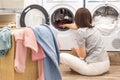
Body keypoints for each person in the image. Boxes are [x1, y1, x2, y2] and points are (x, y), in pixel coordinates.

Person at [60, 8, 110, 76]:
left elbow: (82, 55)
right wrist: (66, 25)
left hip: (93, 69)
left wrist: (76, 49)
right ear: (90, 17)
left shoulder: (80, 32)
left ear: (76, 19)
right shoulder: (94, 28)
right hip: (106, 65)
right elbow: (76, 26)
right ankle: (77, 68)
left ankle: (78, 68)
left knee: (61, 56)